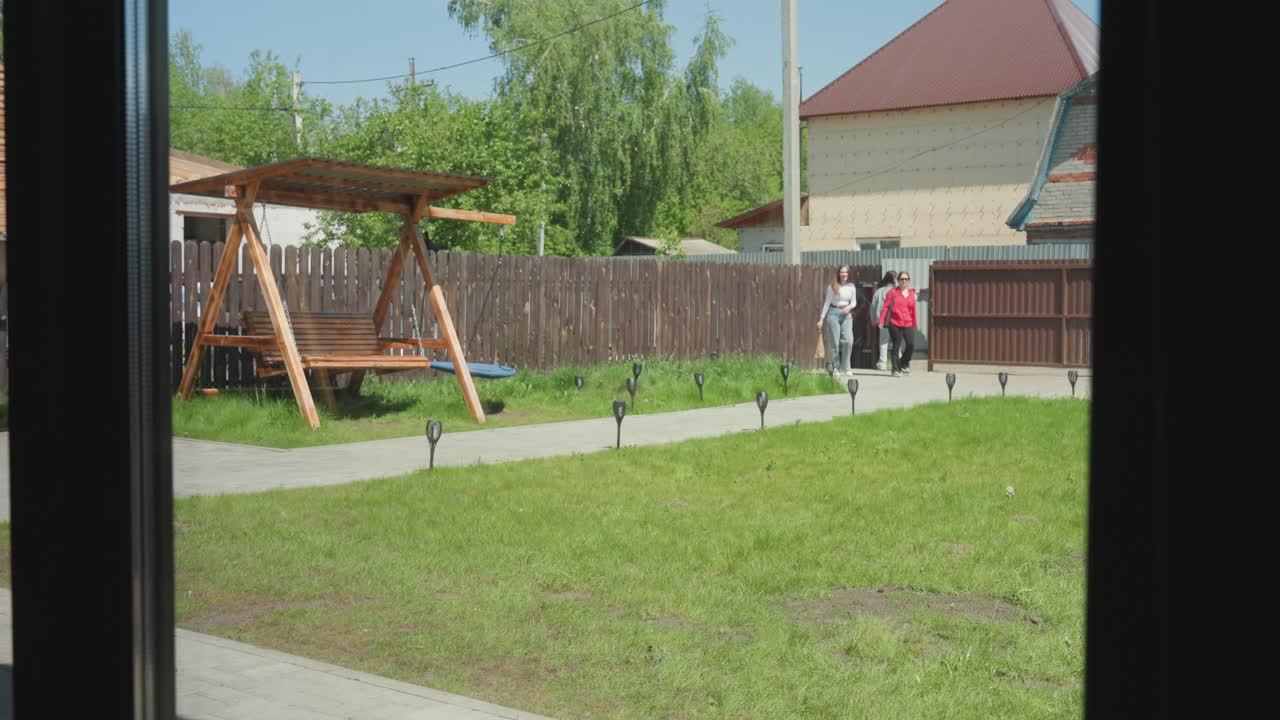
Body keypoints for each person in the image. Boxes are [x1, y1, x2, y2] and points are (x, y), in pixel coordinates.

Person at [817, 265, 858, 375]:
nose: (844, 274)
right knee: (834, 341)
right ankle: (835, 367)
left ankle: (846, 367)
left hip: (846, 314)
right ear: (838, 273)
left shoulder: (851, 286)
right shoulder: (832, 286)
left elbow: (854, 302)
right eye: (842, 272)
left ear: (848, 274)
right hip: (833, 313)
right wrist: (821, 318)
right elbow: (827, 302)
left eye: (846, 272)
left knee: (848, 340)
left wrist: (849, 307)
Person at [877, 270, 918, 377]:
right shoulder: (892, 292)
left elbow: (913, 309)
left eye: (906, 279)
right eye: (902, 279)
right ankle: (895, 369)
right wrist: (881, 320)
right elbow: (885, 307)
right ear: (898, 280)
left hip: (908, 323)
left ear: (909, 281)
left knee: (911, 345)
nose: (904, 281)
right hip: (895, 323)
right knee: (896, 345)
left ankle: (903, 363)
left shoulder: (911, 293)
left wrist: (914, 322)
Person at [869, 271, 898, 371]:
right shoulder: (897, 291)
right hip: (896, 320)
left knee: (883, 342)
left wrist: (873, 320)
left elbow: (873, 307)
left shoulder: (879, 291)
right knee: (896, 341)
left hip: (883, 320)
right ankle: (899, 363)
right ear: (894, 279)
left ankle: (882, 364)